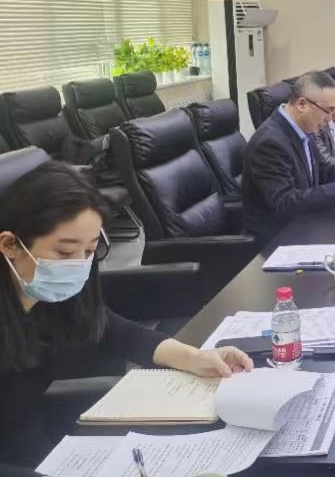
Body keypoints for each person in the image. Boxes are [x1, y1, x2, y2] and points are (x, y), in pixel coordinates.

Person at [0, 163, 254, 467]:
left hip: (34, 443)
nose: (78, 265)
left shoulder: (49, 295)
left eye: (89, 250)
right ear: (10, 245)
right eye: (65, 253)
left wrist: (194, 358)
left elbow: (118, 332)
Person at [242, 71, 335, 242]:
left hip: (306, 223)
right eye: (328, 110)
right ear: (302, 104)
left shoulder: (303, 128)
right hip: (278, 238)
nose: (330, 119)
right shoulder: (270, 142)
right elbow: (285, 202)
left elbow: (322, 169)